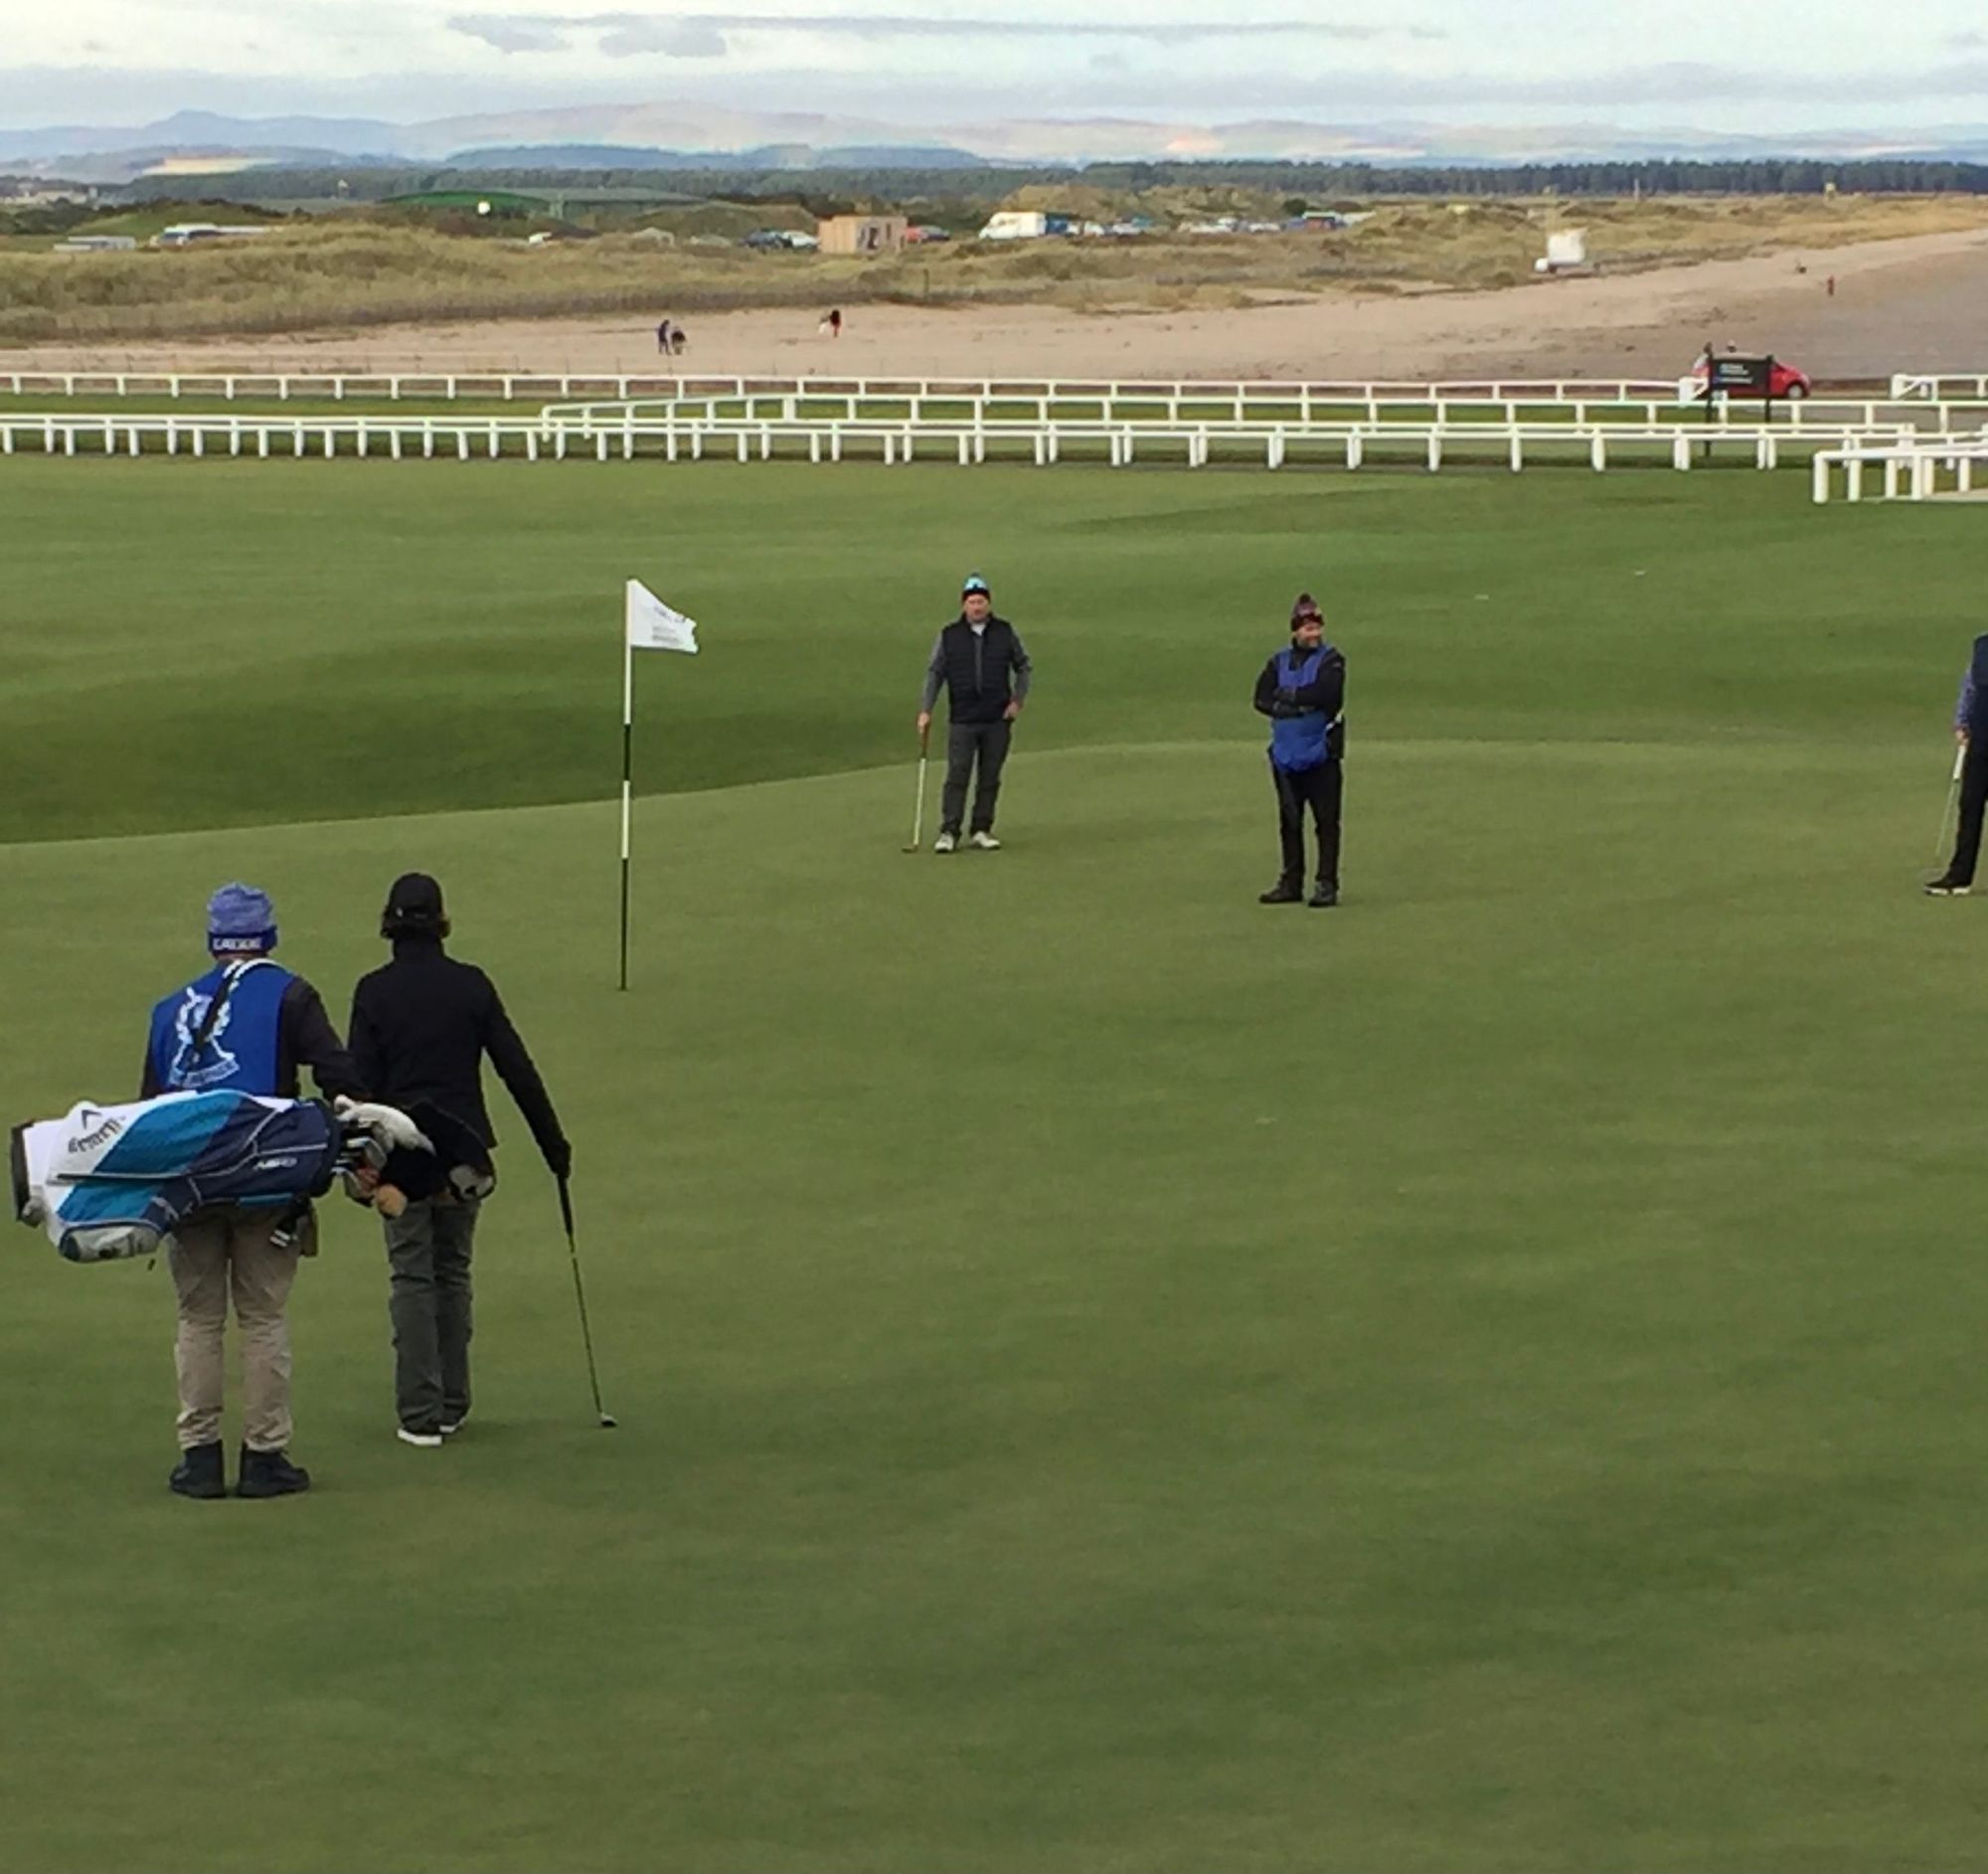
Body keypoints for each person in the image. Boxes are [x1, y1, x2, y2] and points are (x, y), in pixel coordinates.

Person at [143, 883, 362, 1500]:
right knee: (263, 1317)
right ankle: (264, 1456)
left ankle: (199, 1458)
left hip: (190, 1186)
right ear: (268, 935)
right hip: (266, 1183)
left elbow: (148, 1114)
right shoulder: (292, 994)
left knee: (198, 1319)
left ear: (213, 939)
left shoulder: (169, 1009)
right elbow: (340, 1076)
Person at [347, 874, 572, 1447]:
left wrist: (355, 1166)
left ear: (389, 924)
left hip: (402, 1158)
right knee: (451, 1271)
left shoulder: (373, 991)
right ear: (441, 922)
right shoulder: (471, 985)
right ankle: (451, 1403)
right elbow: (516, 1069)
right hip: (465, 1155)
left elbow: (358, 1090)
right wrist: (553, 1145)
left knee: (412, 1274)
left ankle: (420, 1413)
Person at [916, 574, 1033, 853]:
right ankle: (949, 831)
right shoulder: (950, 635)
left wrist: (1017, 700)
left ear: (988, 604)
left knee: (989, 777)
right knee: (958, 774)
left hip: (997, 718)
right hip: (963, 718)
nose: (977, 607)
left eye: (981, 602)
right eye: (972, 602)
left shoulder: (1004, 632)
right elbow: (935, 673)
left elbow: (1023, 666)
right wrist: (926, 709)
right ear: (964, 605)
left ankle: (981, 828)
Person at [1253, 593, 1347, 908]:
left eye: (1317, 627)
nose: (1314, 633)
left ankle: (1326, 884)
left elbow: (1327, 694)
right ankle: (1291, 882)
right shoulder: (1277, 661)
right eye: (1308, 628)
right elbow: (1261, 698)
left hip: (1322, 755)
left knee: (1327, 823)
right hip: (1286, 755)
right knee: (1290, 822)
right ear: (1295, 630)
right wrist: (1295, 705)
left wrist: (1289, 697)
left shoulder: (1332, 660)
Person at [1927, 632, 1988, 895]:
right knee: (1970, 805)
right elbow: (1970, 686)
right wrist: (1962, 721)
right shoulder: (1983, 647)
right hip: (1981, 738)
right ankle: (1960, 876)